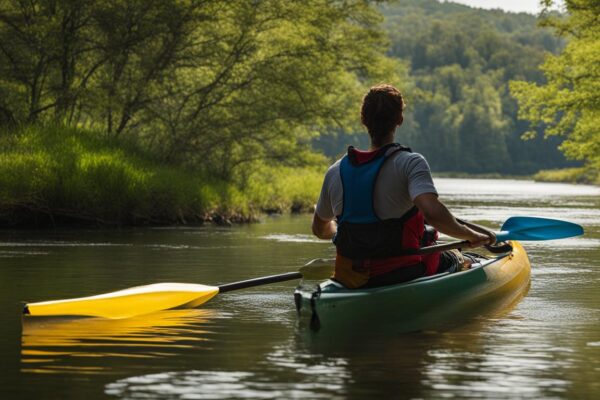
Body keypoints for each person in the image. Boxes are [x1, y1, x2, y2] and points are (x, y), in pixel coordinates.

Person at [311, 84, 494, 289]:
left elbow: (319, 229)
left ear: (363, 120)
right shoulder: (410, 163)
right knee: (457, 256)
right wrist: (471, 235)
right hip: (403, 273)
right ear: (400, 119)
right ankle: (465, 261)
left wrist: (338, 232)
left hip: (351, 277)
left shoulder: (335, 171)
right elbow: (433, 214)